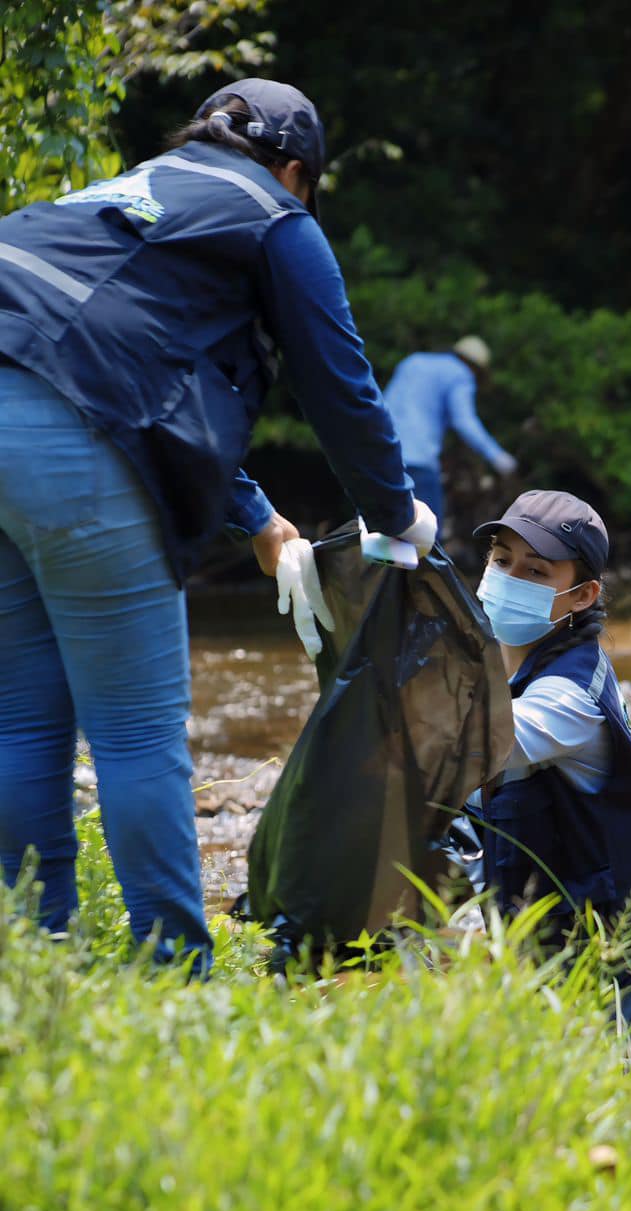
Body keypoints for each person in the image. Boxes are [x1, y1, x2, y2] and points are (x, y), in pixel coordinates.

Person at [0, 77, 436, 973]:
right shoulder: (277, 219)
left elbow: (113, 359)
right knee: (133, 733)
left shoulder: (126, 192)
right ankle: (173, 976)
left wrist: (259, 518)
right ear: (294, 169)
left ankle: (33, 962)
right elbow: (340, 388)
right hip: (70, 429)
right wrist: (398, 516)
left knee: (20, 722)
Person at [467, 489, 631, 1034]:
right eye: (501, 560)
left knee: (629, 1105)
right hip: (569, 923)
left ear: (581, 595)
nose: (508, 579)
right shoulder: (496, 664)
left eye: (536, 571)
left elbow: (468, 753)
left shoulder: (569, 698)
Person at [383, 337, 517, 527]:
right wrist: (498, 457)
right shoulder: (461, 374)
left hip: (381, 454)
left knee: (377, 532)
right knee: (426, 536)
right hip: (417, 461)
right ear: (475, 368)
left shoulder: (413, 361)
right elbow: (464, 421)